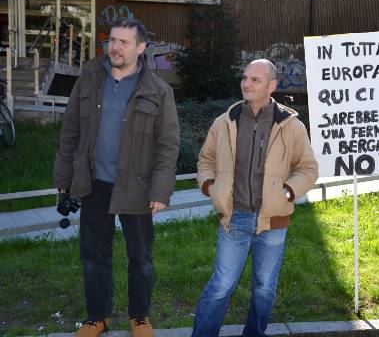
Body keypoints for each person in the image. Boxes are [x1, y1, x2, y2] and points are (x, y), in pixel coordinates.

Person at [53, 18, 180, 337]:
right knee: (94, 256)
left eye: (124, 42)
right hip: (94, 183)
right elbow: (70, 130)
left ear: (140, 48)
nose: (115, 47)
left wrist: (161, 189)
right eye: (112, 40)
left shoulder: (158, 90)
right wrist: (64, 174)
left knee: (140, 257)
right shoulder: (89, 79)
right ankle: (97, 317)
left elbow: (168, 144)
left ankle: (140, 317)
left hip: (136, 186)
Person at [192, 59, 318, 337]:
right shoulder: (225, 121)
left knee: (264, 289)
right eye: (245, 78)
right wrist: (211, 187)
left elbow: (308, 168)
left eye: (255, 80)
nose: (246, 84)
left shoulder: (291, 125)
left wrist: (287, 192)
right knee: (221, 285)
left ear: (271, 86)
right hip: (233, 217)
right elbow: (206, 160)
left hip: (273, 221)